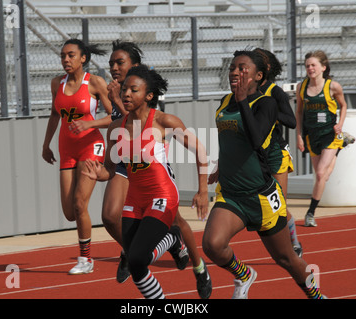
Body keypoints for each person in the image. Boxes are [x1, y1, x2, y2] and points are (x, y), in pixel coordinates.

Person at [203, 49, 325, 299]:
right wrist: (220, 166)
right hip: (231, 195)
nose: (235, 72)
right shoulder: (225, 102)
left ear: (259, 76)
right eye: (233, 67)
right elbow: (228, 140)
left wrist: (242, 101)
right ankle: (244, 274)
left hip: (261, 198)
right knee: (212, 245)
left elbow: (257, 139)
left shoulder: (266, 103)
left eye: (242, 68)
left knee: (287, 259)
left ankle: (316, 295)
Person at [83, 64, 209, 299]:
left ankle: (173, 238)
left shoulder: (164, 121)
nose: (127, 94)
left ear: (149, 95)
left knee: (140, 256)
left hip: (162, 195)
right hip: (135, 199)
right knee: (135, 262)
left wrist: (203, 191)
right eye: (124, 90)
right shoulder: (116, 127)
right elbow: (110, 170)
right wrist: (97, 173)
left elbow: (200, 151)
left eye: (134, 90)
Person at [42, 39, 113, 274]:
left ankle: (86, 260)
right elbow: (54, 115)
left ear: (83, 58)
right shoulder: (56, 84)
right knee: (70, 212)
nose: (66, 60)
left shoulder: (94, 82)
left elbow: (116, 117)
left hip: (91, 146)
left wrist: (89, 124)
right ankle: (86, 254)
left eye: (71, 55)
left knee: (80, 202)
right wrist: (46, 144)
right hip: (66, 150)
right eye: (63, 56)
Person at [254, 48, 302, 256]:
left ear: (267, 68)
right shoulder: (246, 91)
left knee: (279, 204)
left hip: (276, 153)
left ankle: (294, 244)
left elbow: (291, 121)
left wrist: (271, 112)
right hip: (257, 155)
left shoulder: (275, 92)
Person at [295, 50, 348, 227]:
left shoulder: (333, 87)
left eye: (313, 65)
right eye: (307, 66)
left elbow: (343, 105)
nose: (310, 68)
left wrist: (340, 124)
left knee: (319, 174)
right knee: (323, 177)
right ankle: (340, 148)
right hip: (312, 136)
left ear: (323, 67)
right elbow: (299, 111)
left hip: (330, 135)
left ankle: (310, 213)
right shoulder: (301, 87)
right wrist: (299, 136)